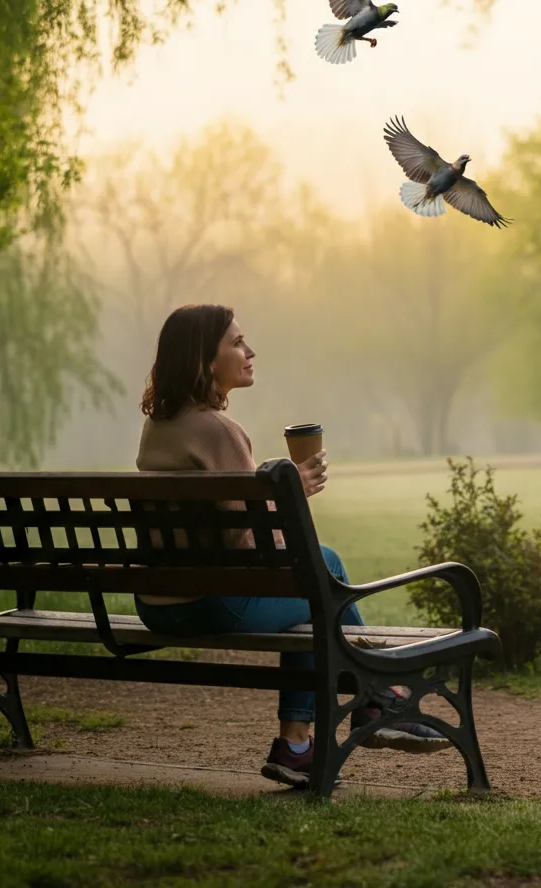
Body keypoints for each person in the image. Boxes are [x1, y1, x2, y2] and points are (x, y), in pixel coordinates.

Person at [135, 304, 449, 787]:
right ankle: (373, 699)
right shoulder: (221, 432)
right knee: (321, 573)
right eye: (237, 343)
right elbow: (246, 543)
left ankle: (307, 740)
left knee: (315, 584)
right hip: (209, 605)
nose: (249, 350)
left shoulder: (157, 428)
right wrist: (292, 492)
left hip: (156, 604)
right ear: (205, 358)